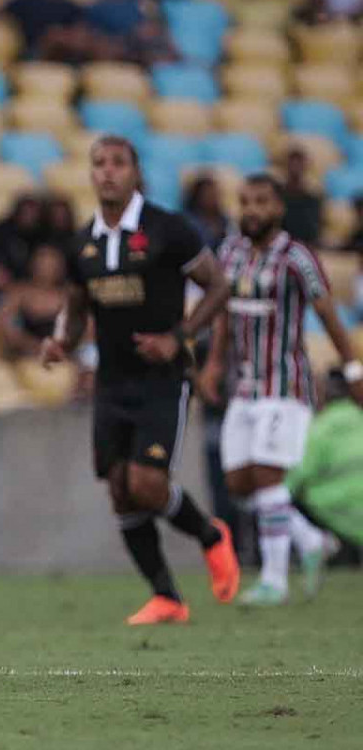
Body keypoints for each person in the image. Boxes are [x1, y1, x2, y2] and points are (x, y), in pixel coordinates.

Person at [41, 134, 240, 625]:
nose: (107, 171)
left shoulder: (169, 229)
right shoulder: (84, 242)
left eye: (118, 163)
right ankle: (167, 597)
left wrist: (181, 336)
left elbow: (218, 286)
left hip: (161, 380)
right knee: (119, 489)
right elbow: (77, 304)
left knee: (147, 484)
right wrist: (61, 342)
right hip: (111, 383)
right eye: (99, 164)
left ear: (136, 172)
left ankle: (212, 536)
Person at [197, 173, 363, 606]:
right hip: (244, 384)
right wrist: (214, 363)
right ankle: (310, 538)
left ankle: (274, 579)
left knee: (269, 477)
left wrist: (354, 370)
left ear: (278, 208)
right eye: (246, 201)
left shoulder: (297, 257)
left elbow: (328, 314)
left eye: (261, 202)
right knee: (238, 483)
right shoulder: (229, 251)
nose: (252, 210)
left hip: (286, 384)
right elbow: (222, 313)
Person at [288, 368, 363, 547]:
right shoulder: (359, 417)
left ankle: (320, 545)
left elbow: (294, 479)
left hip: (334, 510)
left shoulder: (317, 428)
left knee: (277, 498)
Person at [0, 244, 68, 359]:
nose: (45, 268)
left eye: (50, 264)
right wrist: (28, 344)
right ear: (33, 264)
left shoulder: (66, 297)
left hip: (60, 355)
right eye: (42, 263)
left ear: (59, 268)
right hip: (24, 354)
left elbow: (85, 330)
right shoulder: (20, 292)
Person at [281, 146, 323, 247]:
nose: (295, 167)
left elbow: (313, 230)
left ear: (305, 166)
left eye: (299, 163)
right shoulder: (278, 197)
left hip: (305, 245)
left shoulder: (312, 199)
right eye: (292, 163)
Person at [183, 175, 229, 252]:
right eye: (208, 195)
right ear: (198, 196)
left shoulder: (225, 221)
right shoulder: (188, 222)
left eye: (215, 194)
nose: (213, 199)